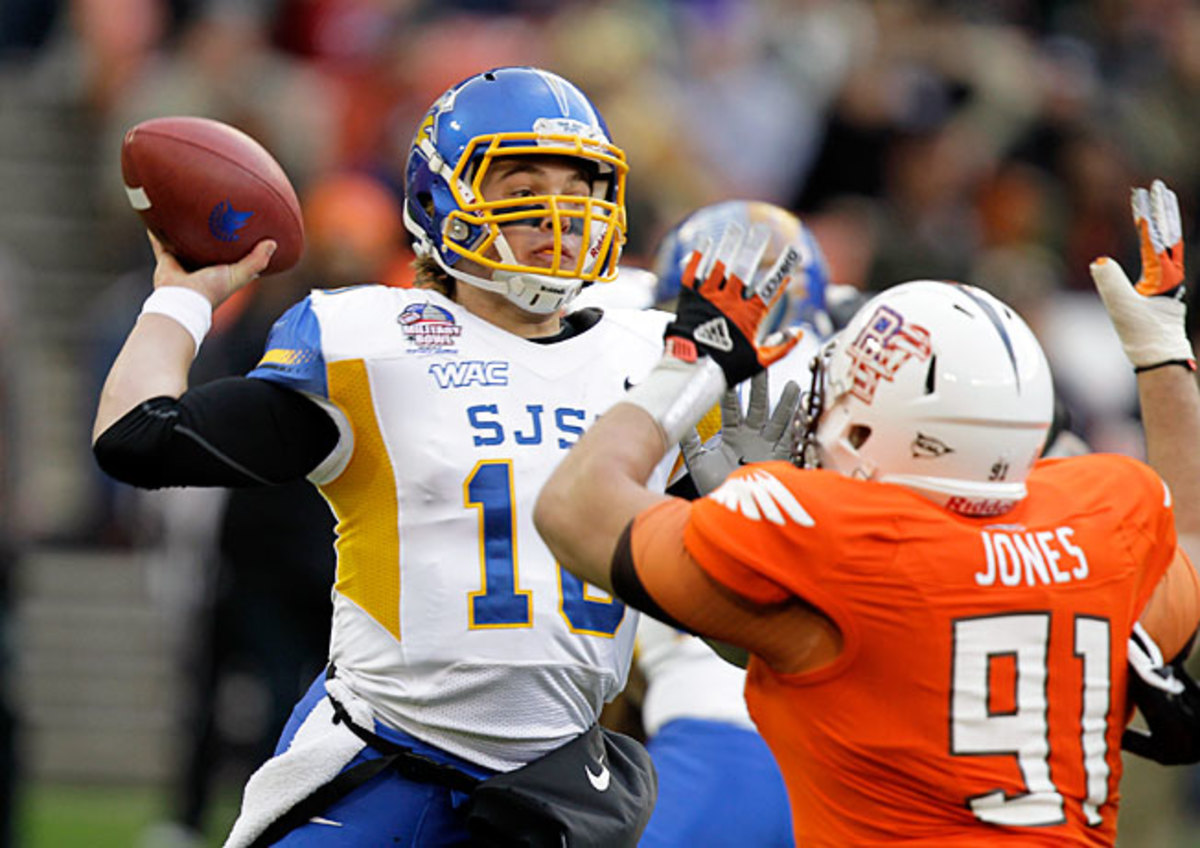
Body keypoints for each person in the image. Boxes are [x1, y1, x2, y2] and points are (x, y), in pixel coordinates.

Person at [92, 66, 672, 847]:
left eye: (578, 185)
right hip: (380, 762)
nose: (556, 211)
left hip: (553, 789)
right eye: (522, 180)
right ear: (443, 196)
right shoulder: (377, 343)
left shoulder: (653, 357)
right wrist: (185, 294)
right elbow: (137, 436)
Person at [535, 178, 1200, 846]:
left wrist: (690, 369)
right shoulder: (1101, 521)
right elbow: (1189, 547)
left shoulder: (839, 542)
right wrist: (1165, 358)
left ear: (862, 430)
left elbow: (574, 508)